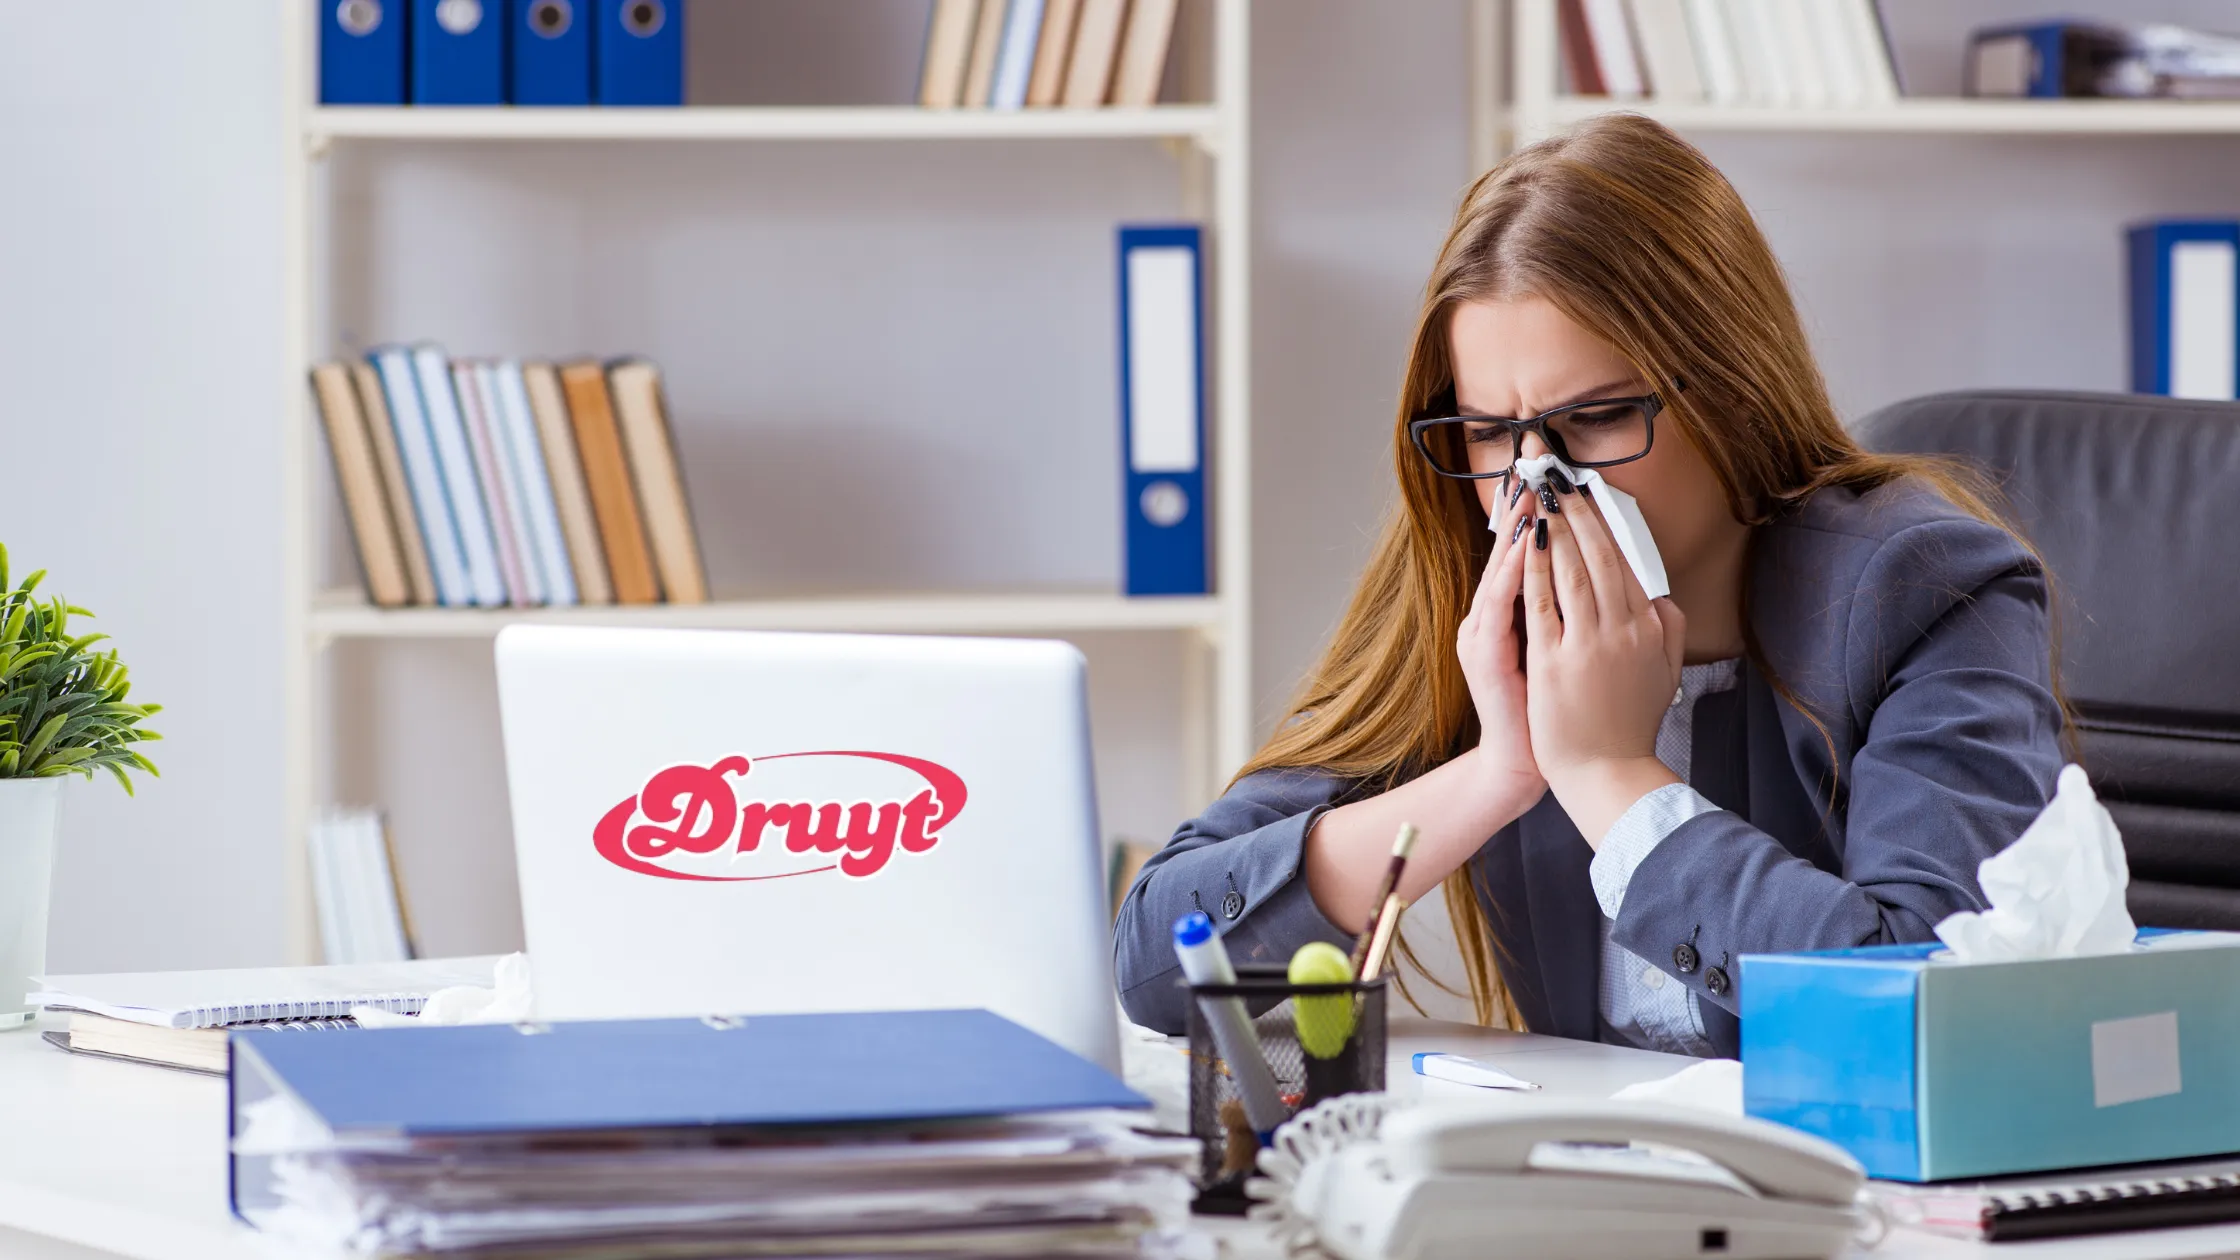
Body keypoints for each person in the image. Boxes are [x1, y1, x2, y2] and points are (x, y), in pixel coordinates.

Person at [1113, 115, 2066, 1057]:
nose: (1536, 481)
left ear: (1735, 390)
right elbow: (1161, 958)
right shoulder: (1470, 576)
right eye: (1490, 434)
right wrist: (1499, 772)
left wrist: (1612, 778)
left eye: (1599, 418)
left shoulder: (1930, 588)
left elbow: (1930, 1013)